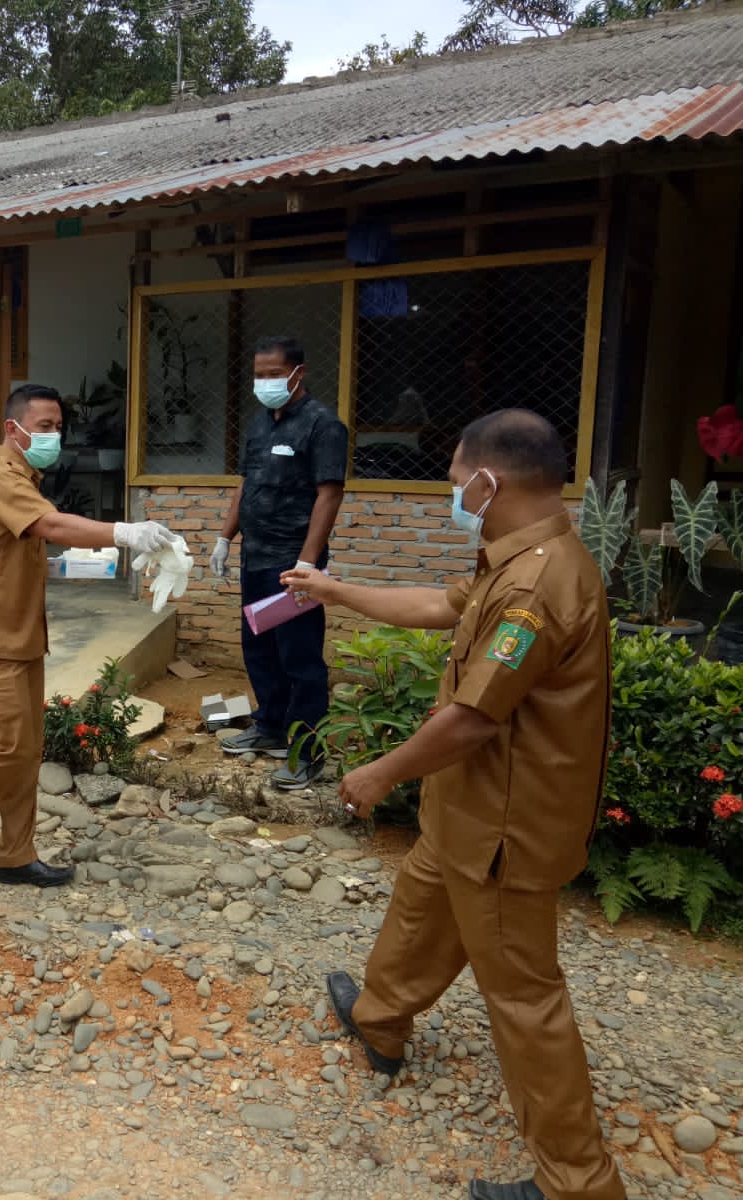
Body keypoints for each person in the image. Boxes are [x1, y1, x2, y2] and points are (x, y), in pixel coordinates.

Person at [281, 410, 624, 1200]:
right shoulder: (520, 558)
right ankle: (380, 1019)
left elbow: (474, 720)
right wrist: (334, 590)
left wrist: (381, 774)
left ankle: (577, 1181)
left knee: (525, 997)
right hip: (471, 808)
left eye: (456, 481)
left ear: (489, 482)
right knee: (423, 900)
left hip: (505, 825)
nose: (453, 495)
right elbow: (442, 605)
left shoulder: (536, 587)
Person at [0, 384, 179, 889]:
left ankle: (17, 855)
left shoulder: (26, 478)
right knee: (12, 745)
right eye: (44, 426)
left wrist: (77, 563)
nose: (54, 435)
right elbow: (52, 526)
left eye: (58, 426)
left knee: (27, 748)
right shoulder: (2, 478)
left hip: (20, 638)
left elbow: (27, 545)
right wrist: (124, 532)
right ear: (12, 429)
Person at [211, 334, 348, 790]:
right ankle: (270, 726)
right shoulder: (259, 423)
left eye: (274, 374)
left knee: (299, 657)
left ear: (298, 373)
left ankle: (307, 751)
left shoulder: (322, 425)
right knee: (259, 647)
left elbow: (329, 494)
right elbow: (246, 483)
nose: (265, 382)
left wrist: (307, 563)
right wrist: (225, 537)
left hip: (292, 564)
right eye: (259, 375)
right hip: (255, 557)